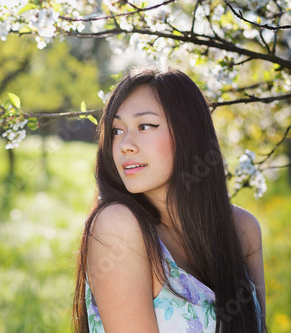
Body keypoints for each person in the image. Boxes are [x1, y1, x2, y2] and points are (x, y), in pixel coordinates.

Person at [72, 67, 266, 333]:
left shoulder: (242, 229)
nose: (125, 144)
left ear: (189, 132)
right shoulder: (118, 226)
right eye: (116, 130)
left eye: (145, 126)